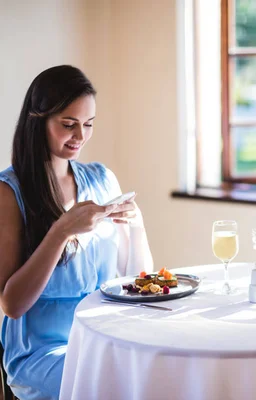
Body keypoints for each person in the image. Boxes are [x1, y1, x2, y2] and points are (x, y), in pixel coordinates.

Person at [0, 65, 154, 399]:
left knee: (158, 376)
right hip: (42, 352)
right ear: (37, 120)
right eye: (68, 125)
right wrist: (61, 231)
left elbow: (134, 277)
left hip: (103, 337)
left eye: (88, 125)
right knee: (114, 388)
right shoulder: (10, 192)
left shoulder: (101, 179)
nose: (80, 136)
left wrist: (137, 225)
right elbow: (12, 304)